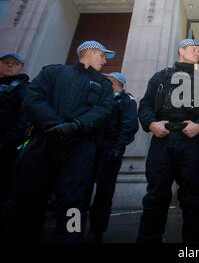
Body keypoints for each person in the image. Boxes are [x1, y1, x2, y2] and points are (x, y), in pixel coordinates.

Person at [3, 41, 115, 243]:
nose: (105, 61)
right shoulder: (52, 73)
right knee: (26, 198)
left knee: (74, 203)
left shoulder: (104, 84)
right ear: (90, 52)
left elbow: (104, 111)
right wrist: (55, 125)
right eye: (102, 56)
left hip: (80, 149)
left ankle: (70, 239)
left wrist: (77, 126)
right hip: (42, 144)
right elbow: (33, 100)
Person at [136, 39, 199, 243]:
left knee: (192, 198)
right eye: (194, 49)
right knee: (156, 195)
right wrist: (152, 124)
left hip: (191, 142)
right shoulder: (160, 77)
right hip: (162, 140)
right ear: (181, 50)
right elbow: (145, 105)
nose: (197, 53)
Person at [86, 72, 139, 243]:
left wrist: (118, 146)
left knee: (104, 192)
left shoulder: (127, 100)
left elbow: (129, 125)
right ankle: (74, 229)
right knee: (79, 190)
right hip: (90, 147)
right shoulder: (100, 98)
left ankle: (96, 231)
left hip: (110, 149)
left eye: (107, 80)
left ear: (116, 82)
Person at [0, 52, 29, 238]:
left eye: (15, 63)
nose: (10, 66)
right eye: (6, 62)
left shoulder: (24, 89)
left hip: (7, 149)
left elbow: (24, 119)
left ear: (21, 68)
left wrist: (7, 142)